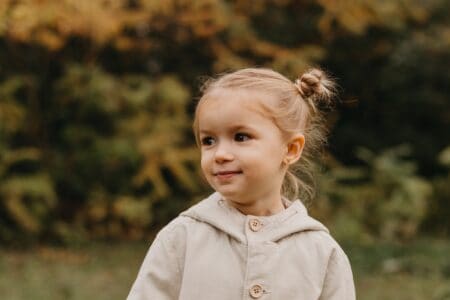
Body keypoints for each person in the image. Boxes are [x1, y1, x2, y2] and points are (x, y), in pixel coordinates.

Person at [127, 67, 356, 300]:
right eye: (209, 141)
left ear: (290, 149)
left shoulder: (321, 252)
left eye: (241, 137)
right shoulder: (182, 237)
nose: (220, 154)